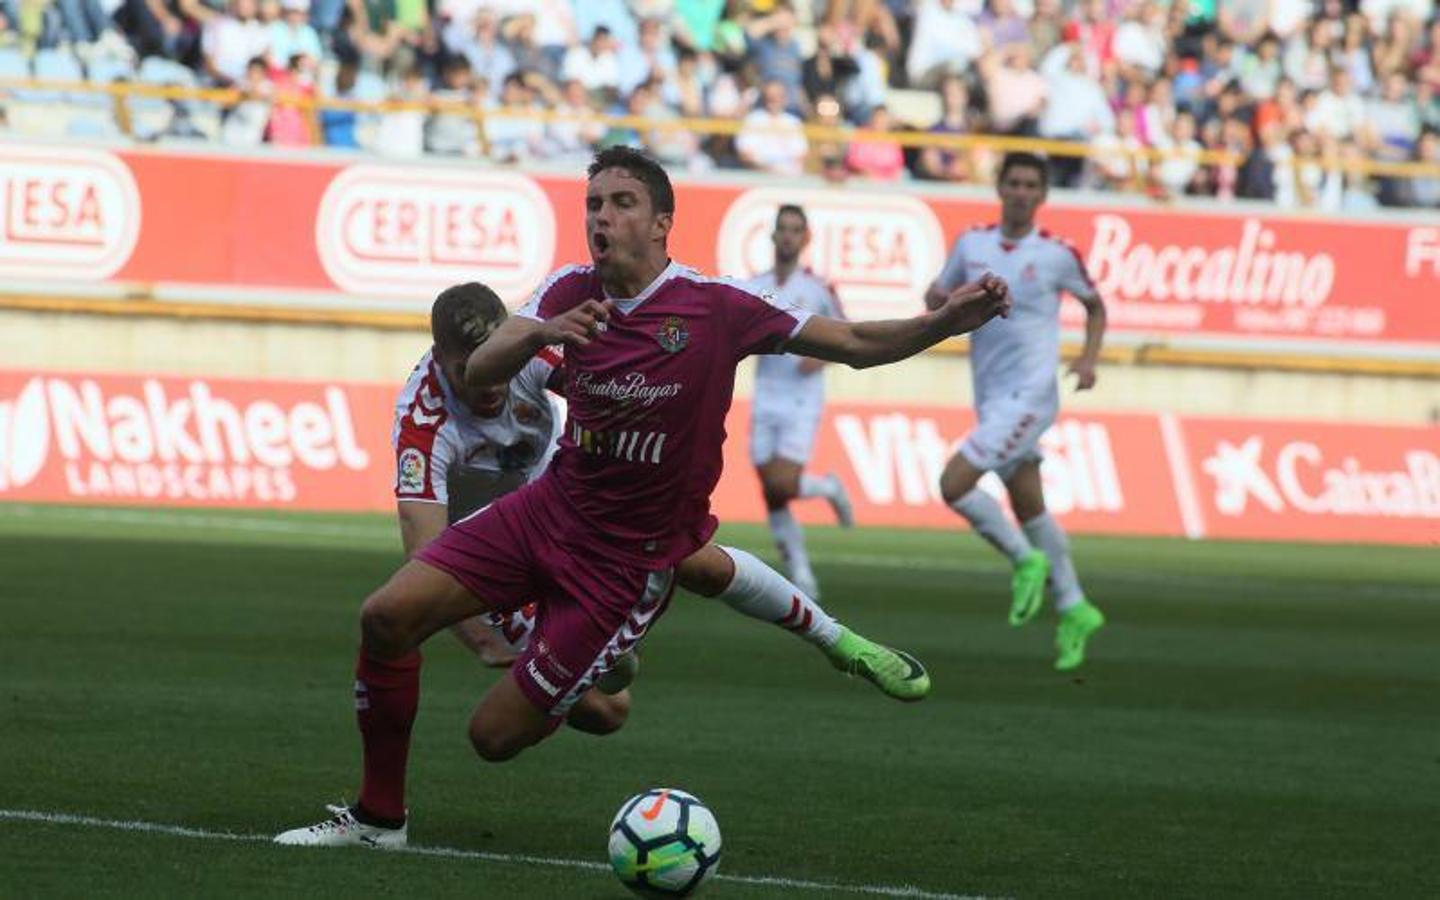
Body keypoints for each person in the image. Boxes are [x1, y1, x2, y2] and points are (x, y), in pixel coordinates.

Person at [275, 146, 1010, 848]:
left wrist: (942, 324)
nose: (601, 217)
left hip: (624, 564)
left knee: (492, 739)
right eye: (593, 203)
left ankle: (589, 660)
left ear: (661, 222)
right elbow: (482, 368)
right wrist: (540, 333)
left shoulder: (718, 307)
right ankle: (378, 820)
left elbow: (851, 342)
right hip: (545, 510)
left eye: (621, 203)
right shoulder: (568, 291)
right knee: (386, 616)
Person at [393, 282, 930, 688]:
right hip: (490, 550)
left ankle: (838, 641)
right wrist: (485, 644)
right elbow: (426, 552)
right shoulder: (423, 422)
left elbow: (607, 391)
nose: (487, 387)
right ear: (440, 358)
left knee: (687, 553)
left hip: (560, 507)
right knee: (604, 708)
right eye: (468, 372)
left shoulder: (530, 353)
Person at [925, 151, 1108, 672]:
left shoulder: (1056, 253)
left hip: (1031, 398)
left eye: (1032, 184)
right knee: (1030, 505)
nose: (1023, 191)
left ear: (1043, 195)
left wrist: (1089, 359)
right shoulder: (972, 243)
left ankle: (1024, 560)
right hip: (990, 396)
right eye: (1014, 182)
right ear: (1000, 188)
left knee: (953, 484)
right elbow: (935, 296)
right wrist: (948, 295)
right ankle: (1075, 607)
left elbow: (1095, 304)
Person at [743, 205, 853, 599]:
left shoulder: (819, 287)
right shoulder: (755, 285)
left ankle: (828, 488)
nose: (788, 236)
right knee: (772, 491)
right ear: (772, 236)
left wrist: (821, 356)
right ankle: (801, 573)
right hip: (767, 393)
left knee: (783, 482)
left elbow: (846, 332)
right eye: (782, 229)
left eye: (795, 230)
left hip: (802, 398)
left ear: (805, 239)